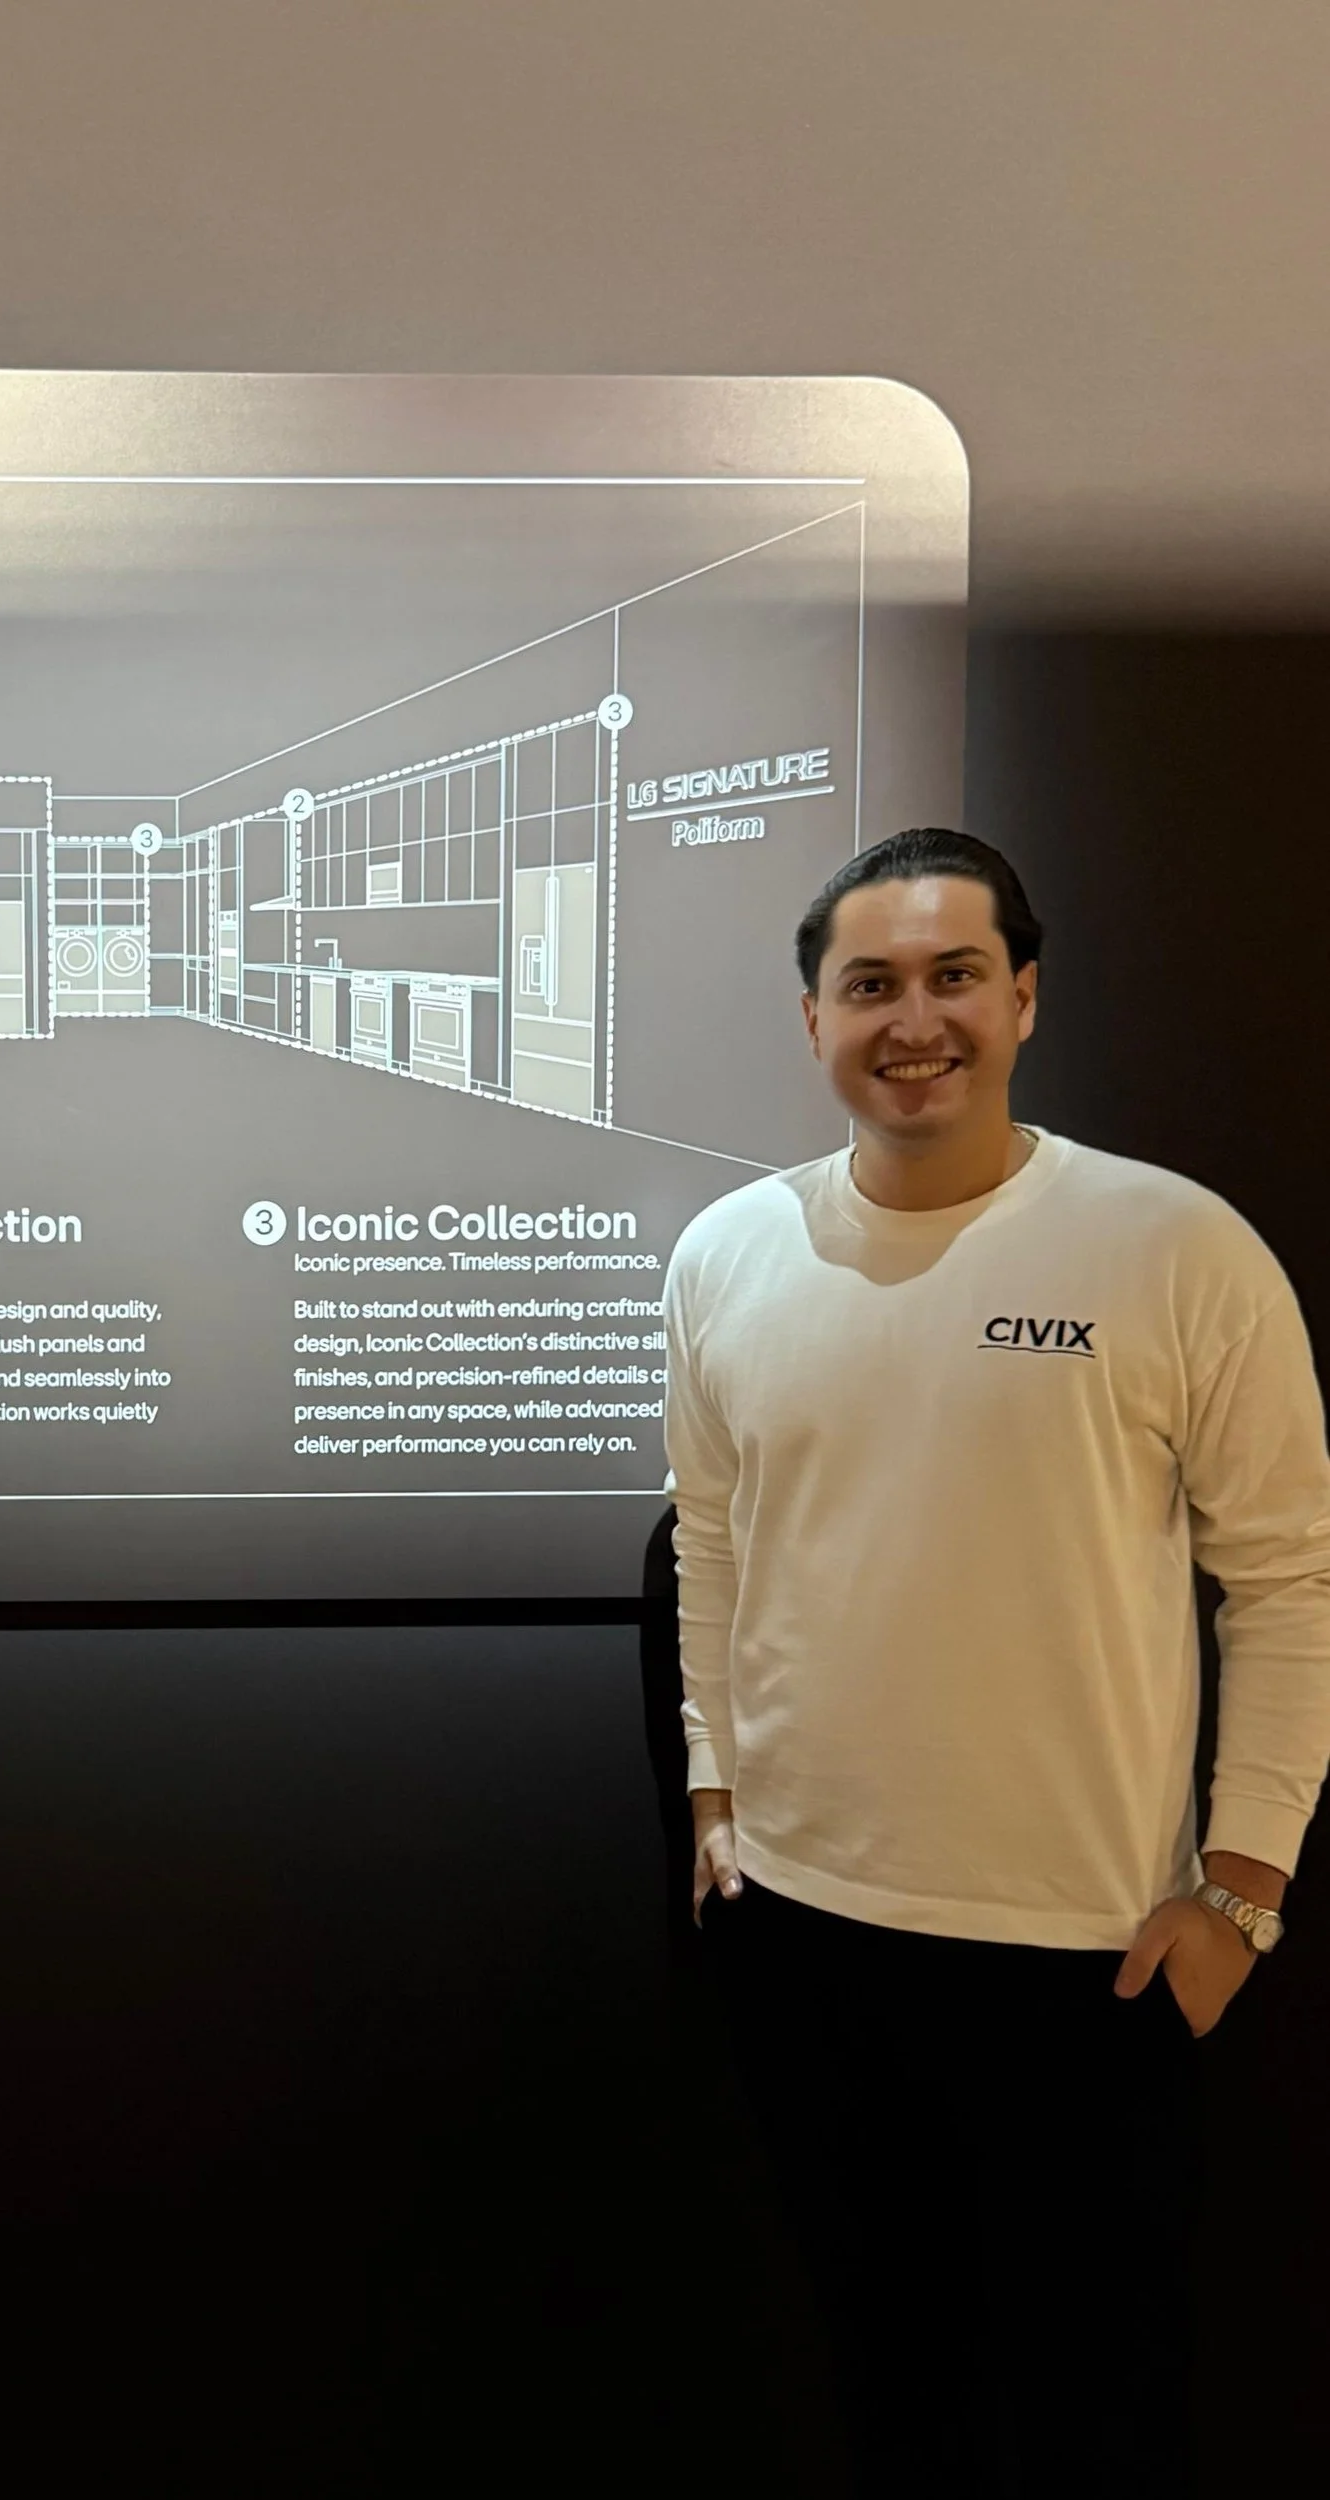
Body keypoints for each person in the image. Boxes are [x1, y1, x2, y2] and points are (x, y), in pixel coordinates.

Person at [665, 827, 1330, 2495]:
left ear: (1024, 997)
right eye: (870, 985)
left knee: (1091, 2414)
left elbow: (1286, 1582)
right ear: (812, 1019)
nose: (915, 1021)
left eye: (955, 976)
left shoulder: (1177, 1248)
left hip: (1087, 1960)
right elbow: (714, 1545)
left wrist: (1245, 1890)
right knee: (876, 2390)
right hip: (802, 1931)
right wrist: (714, 1789)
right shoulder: (726, 1252)